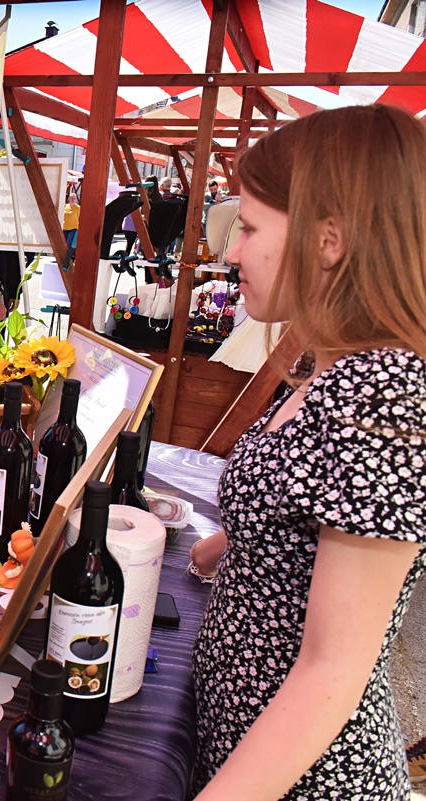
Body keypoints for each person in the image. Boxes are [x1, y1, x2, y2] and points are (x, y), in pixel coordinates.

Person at [188, 104, 426, 800]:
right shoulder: (333, 365)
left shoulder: (383, 390)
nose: (232, 253)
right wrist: (226, 544)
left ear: (329, 240)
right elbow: (308, 514)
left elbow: (332, 670)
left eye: (249, 228)